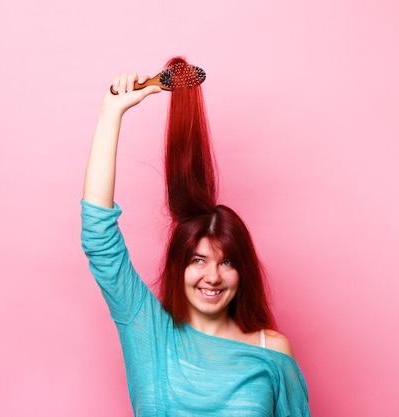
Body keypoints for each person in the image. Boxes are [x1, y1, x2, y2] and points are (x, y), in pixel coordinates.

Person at [81, 58, 311, 416]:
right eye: (198, 260)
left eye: (227, 262)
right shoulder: (147, 328)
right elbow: (99, 238)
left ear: (243, 271)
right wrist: (111, 113)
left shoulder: (272, 350)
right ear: (179, 266)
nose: (213, 276)